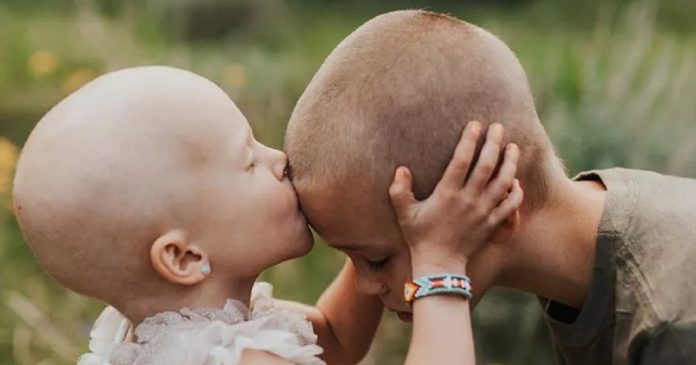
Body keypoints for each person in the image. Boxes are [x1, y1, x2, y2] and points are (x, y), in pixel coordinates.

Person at [13, 65, 520, 365]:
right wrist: (440, 263)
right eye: (249, 159)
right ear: (184, 256)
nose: (278, 160)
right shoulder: (239, 361)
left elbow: (337, 340)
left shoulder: (197, 330)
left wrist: (366, 223)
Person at [285, 9, 696, 365]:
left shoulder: (672, 326)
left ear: (496, 200)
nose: (363, 287)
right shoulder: (614, 229)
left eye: (376, 260)